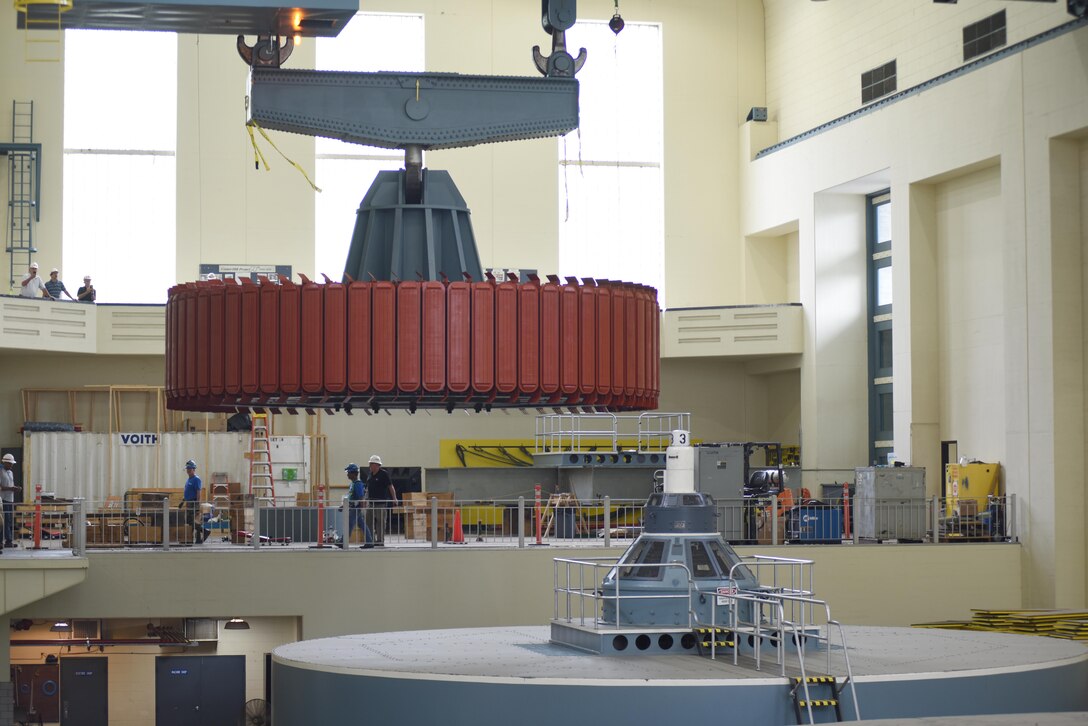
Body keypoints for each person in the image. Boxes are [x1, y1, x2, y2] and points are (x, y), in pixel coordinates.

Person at [363, 454, 397, 546]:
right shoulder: (370, 475)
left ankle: (380, 541)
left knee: (380, 522)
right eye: (370, 464)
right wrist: (365, 499)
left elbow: (390, 486)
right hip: (371, 502)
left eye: (371, 464)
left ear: (377, 465)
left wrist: (394, 498)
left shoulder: (384, 474)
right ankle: (370, 540)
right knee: (368, 521)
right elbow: (367, 488)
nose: (369, 466)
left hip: (380, 503)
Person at [344, 463, 373, 548]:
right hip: (354, 507)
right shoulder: (353, 484)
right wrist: (344, 506)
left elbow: (361, 497)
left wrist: (361, 508)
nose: (347, 474)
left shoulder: (358, 484)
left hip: (356, 508)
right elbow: (350, 497)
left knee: (349, 524)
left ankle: (343, 541)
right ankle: (369, 542)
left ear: (353, 473)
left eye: (349, 472)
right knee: (362, 525)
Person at [181, 459, 206, 544]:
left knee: (192, 521)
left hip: (193, 502)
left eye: (190, 469)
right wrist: (183, 500)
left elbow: (198, 492)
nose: (188, 470)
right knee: (190, 521)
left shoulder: (196, 479)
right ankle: (195, 538)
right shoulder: (189, 479)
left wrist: (197, 505)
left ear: (194, 469)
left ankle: (205, 531)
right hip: (188, 502)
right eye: (187, 469)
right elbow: (188, 492)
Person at [0, 453, 19, 551]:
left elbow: (10, 484)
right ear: (5, 462)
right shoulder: (0, 471)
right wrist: (10, 488)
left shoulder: (10, 472)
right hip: (2, 500)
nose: (11, 465)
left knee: (9, 521)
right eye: (10, 464)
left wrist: (14, 488)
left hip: (10, 499)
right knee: (2, 521)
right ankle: (1, 542)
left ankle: (8, 541)